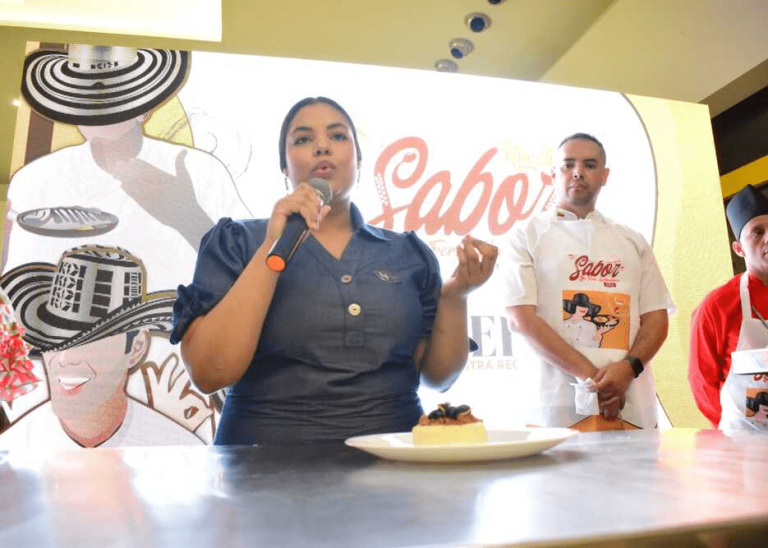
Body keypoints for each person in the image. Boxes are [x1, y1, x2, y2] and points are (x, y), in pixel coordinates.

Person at [170, 96, 498, 444]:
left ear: (359, 160)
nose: (322, 147)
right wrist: (272, 248)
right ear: (284, 167)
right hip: (260, 463)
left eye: (338, 136)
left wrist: (455, 297)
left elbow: (437, 378)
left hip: (394, 461)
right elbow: (210, 372)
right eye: (303, 139)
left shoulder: (409, 253)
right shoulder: (237, 241)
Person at [3, 44, 251, 290]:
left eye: (115, 97)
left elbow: (251, 266)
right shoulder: (36, 178)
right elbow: (16, 284)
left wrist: (187, 216)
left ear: (144, 109)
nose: (99, 111)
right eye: (85, 98)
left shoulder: (201, 170)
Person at [503, 133, 674, 430]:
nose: (578, 172)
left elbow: (656, 317)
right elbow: (521, 318)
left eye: (590, 165)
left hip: (630, 401)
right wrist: (598, 382)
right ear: (553, 175)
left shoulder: (632, 240)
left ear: (604, 175)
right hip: (555, 403)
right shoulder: (525, 235)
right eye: (568, 165)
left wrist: (627, 369)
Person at [0, 245, 208, 448]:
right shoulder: (13, 449)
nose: (64, 359)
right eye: (54, 340)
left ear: (136, 348)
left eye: (88, 341)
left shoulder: (178, 452)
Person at [689, 184, 768, 430]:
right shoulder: (717, 305)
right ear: (739, 249)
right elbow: (701, 381)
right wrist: (734, 431)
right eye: (758, 232)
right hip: (742, 442)